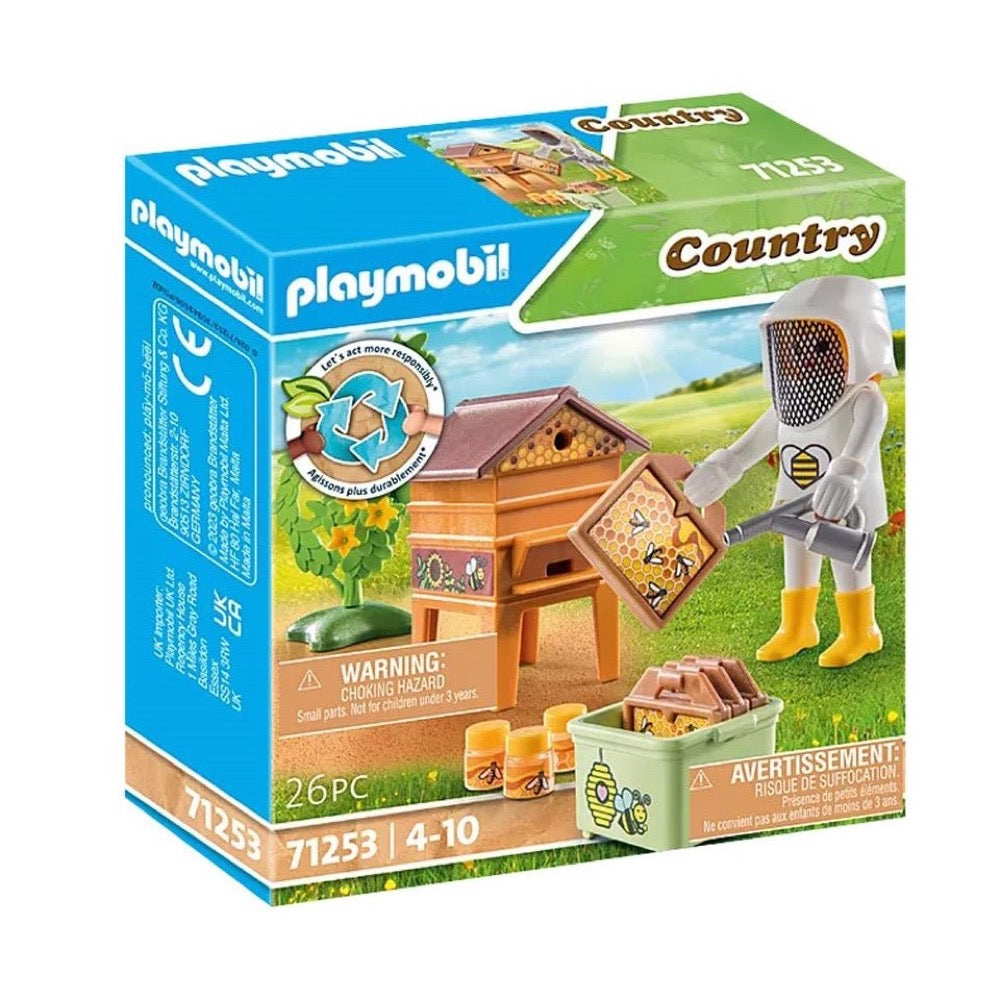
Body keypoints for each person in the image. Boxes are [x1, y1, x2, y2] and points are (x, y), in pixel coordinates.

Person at [684, 276, 897, 667]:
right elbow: (752, 444)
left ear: (861, 342)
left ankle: (860, 631)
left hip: (844, 501)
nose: (801, 358)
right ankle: (797, 627)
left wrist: (847, 473)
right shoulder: (788, 404)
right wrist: (725, 467)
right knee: (796, 551)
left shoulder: (865, 399)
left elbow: (863, 442)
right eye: (791, 346)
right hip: (794, 497)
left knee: (845, 555)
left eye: (819, 346)